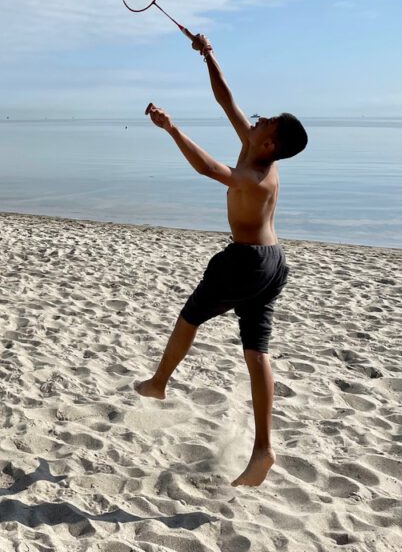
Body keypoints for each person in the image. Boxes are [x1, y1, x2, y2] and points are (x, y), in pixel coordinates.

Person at [135, 32, 308, 488]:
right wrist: (208, 55)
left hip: (246, 262)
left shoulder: (253, 174)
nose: (259, 118)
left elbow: (209, 169)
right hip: (274, 263)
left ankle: (159, 383)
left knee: (190, 317)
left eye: (267, 122)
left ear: (270, 143)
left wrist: (171, 129)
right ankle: (263, 450)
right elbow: (226, 99)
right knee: (257, 351)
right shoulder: (257, 149)